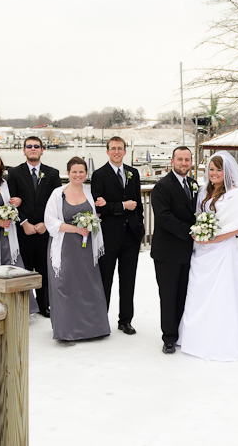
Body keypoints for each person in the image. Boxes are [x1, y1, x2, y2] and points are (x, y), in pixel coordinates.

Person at [177, 151, 238, 361]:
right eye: (211, 169)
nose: (213, 173)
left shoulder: (236, 193)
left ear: (226, 171)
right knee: (199, 292)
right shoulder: (203, 191)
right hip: (201, 251)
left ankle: (222, 339)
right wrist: (200, 235)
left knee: (223, 294)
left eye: (218, 170)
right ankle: (196, 336)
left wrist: (214, 239)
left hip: (221, 251)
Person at [45, 157, 110, 341]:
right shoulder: (58, 194)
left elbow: (97, 215)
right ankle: (66, 330)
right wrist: (76, 229)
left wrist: (94, 219)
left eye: (81, 172)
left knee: (89, 285)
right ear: (68, 172)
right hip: (65, 247)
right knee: (64, 285)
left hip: (86, 249)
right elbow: (50, 222)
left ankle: (94, 329)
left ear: (86, 173)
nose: (78, 175)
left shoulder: (90, 193)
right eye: (74, 171)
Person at [91, 136, 144, 335]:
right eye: (113, 148)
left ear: (124, 151)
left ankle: (125, 320)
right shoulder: (99, 174)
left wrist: (140, 227)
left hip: (131, 236)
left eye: (120, 148)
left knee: (128, 280)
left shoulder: (133, 173)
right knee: (105, 281)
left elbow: (137, 204)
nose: (116, 152)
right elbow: (99, 208)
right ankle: (100, 321)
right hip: (108, 236)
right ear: (107, 151)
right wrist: (122, 206)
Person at [0, 151, 39, 314]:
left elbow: (13, 201)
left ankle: (19, 309)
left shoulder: (4, 184)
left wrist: (17, 201)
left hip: (7, 235)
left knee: (13, 269)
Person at [7, 137, 62, 317]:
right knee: (23, 269)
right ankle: (24, 307)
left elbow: (57, 202)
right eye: (29, 146)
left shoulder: (52, 174)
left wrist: (46, 224)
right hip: (23, 230)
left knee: (44, 269)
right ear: (24, 150)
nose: (32, 149)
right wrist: (24, 222)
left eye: (36, 146)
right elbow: (11, 202)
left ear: (42, 150)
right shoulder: (14, 174)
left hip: (45, 230)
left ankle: (43, 305)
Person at [151, 146, 197, 354]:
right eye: (180, 159)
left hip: (188, 251)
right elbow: (164, 217)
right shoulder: (162, 186)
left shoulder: (193, 184)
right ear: (172, 161)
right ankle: (169, 337)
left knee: (184, 294)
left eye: (187, 159)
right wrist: (191, 231)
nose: (184, 163)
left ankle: (182, 332)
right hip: (167, 252)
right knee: (169, 295)